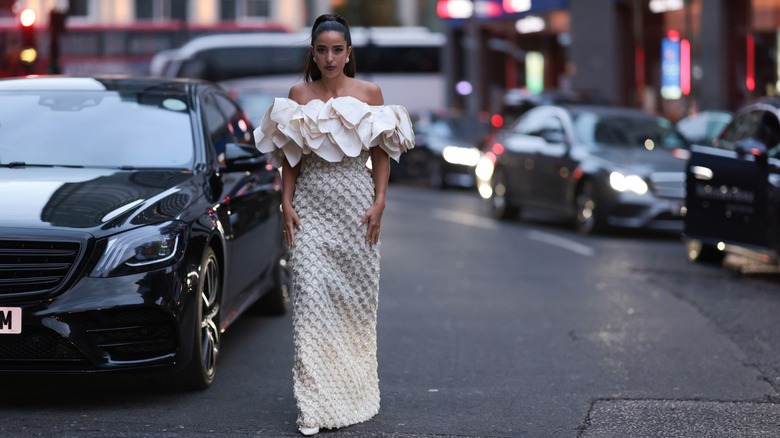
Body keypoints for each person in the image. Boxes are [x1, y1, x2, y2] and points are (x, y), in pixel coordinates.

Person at [253, 13, 414, 436]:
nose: (329, 57)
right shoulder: (298, 94)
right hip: (309, 209)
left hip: (356, 209)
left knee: (353, 309)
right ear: (313, 52)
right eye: (322, 50)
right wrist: (285, 201)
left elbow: (381, 152)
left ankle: (353, 392)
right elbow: (290, 156)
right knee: (308, 304)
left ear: (348, 53)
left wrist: (380, 201)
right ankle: (315, 407)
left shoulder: (370, 93)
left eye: (337, 49)